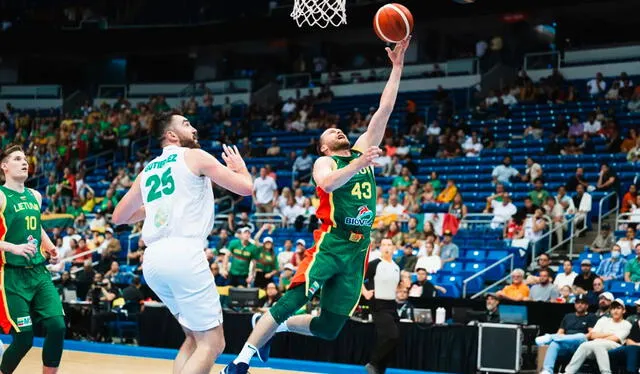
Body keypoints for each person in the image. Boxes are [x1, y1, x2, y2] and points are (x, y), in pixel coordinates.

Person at [222, 37, 412, 374]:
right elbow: (328, 184)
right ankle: (241, 361)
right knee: (294, 297)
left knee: (329, 328)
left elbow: (385, 109)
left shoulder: (361, 148)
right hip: (331, 241)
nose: (337, 130)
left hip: (358, 249)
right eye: (330, 132)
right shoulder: (325, 164)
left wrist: (396, 68)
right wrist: (357, 165)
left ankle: (272, 328)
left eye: (338, 129)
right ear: (324, 147)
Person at [112, 113, 253, 374]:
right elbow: (245, 189)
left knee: (193, 337)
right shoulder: (195, 157)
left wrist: (153, 207)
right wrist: (240, 168)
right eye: (186, 124)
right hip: (183, 254)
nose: (195, 128)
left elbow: (119, 217)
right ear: (172, 135)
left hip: (153, 261)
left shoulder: (148, 170)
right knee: (212, 342)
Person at [0, 145, 66, 374]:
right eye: (17, 158)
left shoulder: (35, 196)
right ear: (4, 166)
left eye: (25, 159)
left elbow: (37, 227)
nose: (24, 162)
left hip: (38, 272)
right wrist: (13, 248)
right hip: (12, 275)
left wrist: (50, 248)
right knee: (24, 338)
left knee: (57, 327)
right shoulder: (0, 196)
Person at [362, 238, 401, 374]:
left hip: (392, 306)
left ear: (394, 248)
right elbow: (358, 277)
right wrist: (365, 292)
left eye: (389, 245)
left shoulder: (396, 267)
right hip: (378, 305)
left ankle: (379, 370)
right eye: (383, 244)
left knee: (389, 340)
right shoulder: (375, 264)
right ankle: (372, 363)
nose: (386, 247)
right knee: (392, 336)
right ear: (380, 247)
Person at [562, 298, 631, 374]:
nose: (615, 311)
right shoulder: (603, 320)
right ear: (610, 311)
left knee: (598, 345)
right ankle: (568, 372)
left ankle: (606, 372)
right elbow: (593, 335)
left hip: (615, 346)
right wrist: (609, 333)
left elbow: (615, 339)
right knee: (584, 345)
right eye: (613, 308)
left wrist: (600, 337)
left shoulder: (627, 324)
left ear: (623, 311)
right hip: (596, 344)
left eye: (618, 308)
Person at [536, 294, 598, 374]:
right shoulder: (568, 316)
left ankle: (550, 337)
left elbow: (591, 334)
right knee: (554, 344)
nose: (580, 305)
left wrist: (575, 337)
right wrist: (565, 338)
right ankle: (547, 370)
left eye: (582, 303)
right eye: (578, 303)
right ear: (575, 304)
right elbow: (560, 333)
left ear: (587, 306)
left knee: (581, 336)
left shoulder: (591, 316)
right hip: (566, 343)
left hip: (581, 344)